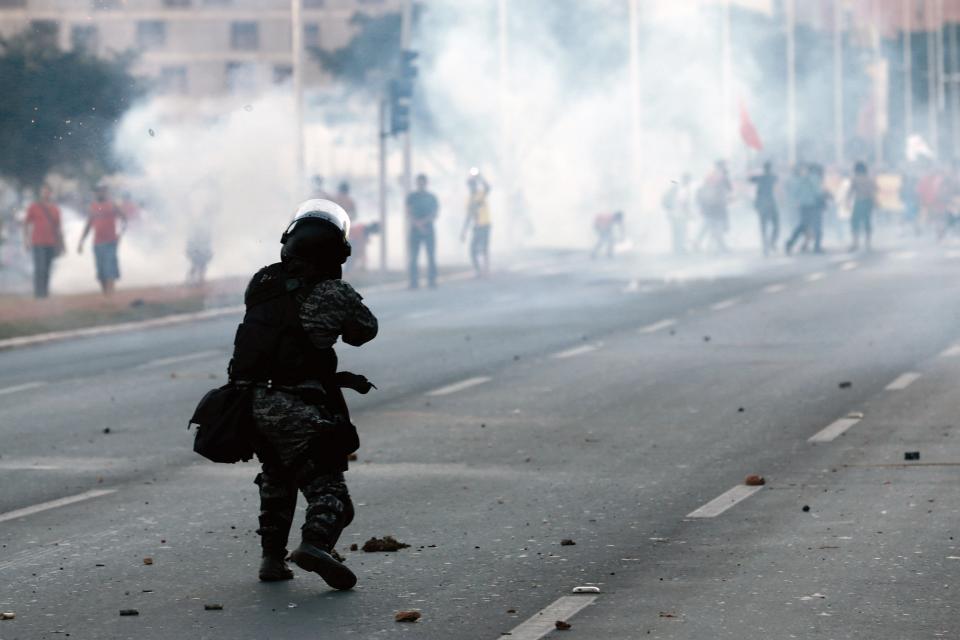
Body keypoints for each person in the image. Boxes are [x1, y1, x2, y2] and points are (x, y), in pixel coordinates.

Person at [228, 199, 378, 590]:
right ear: (337, 252)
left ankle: (272, 560)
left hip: (249, 403)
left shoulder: (262, 282)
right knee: (328, 489)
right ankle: (315, 545)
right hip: (298, 405)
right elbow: (365, 330)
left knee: (277, 478)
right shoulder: (334, 292)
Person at [78, 184, 126, 295]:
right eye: (98, 191)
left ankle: (111, 294)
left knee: (110, 268)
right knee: (101, 271)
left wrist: (120, 234)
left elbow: (124, 220)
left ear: (106, 192)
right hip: (97, 243)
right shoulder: (94, 207)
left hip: (111, 242)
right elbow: (88, 225)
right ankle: (105, 294)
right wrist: (81, 242)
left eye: (102, 191)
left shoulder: (113, 205)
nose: (100, 193)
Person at [23, 184, 64, 298]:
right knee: (39, 268)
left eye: (47, 192)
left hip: (51, 242)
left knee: (47, 268)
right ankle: (38, 293)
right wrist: (26, 240)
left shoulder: (55, 209)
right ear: (41, 193)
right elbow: (26, 224)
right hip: (37, 242)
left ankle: (45, 292)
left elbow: (58, 228)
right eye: (43, 191)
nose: (45, 194)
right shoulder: (34, 207)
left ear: (51, 193)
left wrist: (61, 244)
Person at [785, 163, 829, 254]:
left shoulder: (802, 179)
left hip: (803, 205)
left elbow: (795, 193)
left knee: (802, 226)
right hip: (814, 205)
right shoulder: (815, 178)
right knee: (817, 226)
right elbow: (818, 193)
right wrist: (826, 196)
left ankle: (790, 243)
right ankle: (817, 247)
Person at [406, 173, 439, 289]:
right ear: (417, 183)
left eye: (422, 182)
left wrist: (423, 223)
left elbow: (434, 213)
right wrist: (417, 223)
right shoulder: (411, 197)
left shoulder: (432, 197)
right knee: (414, 256)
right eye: (419, 182)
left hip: (428, 229)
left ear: (426, 183)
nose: (421, 184)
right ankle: (413, 282)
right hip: (415, 230)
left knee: (431, 255)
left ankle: (432, 280)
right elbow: (408, 212)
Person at [695, 161, 732, 252]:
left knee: (708, 226)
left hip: (709, 205)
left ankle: (698, 243)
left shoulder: (710, 175)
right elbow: (729, 188)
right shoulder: (722, 176)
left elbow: (703, 188)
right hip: (718, 205)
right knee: (716, 226)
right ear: (721, 166)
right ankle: (720, 247)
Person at [750, 161, 780, 256]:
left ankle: (766, 247)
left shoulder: (760, 178)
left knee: (763, 227)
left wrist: (750, 169)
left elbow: (750, 179)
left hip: (761, 204)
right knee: (776, 225)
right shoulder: (773, 177)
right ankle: (772, 242)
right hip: (770, 203)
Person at [848, 161, 877, 251]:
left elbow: (850, 191)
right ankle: (868, 243)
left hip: (859, 202)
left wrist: (847, 200)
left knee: (855, 222)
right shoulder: (870, 179)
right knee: (867, 222)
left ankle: (855, 243)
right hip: (868, 202)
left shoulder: (855, 179)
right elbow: (875, 189)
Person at [662, 174, 693, 255]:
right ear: (687, 180)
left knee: (676, 232)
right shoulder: (682, 189)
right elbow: (683, 203)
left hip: (673, 213)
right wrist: (689, 213)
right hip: (679, 214)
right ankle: (679, 249)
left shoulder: (676, 187)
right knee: (681, 232)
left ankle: (677, 249)